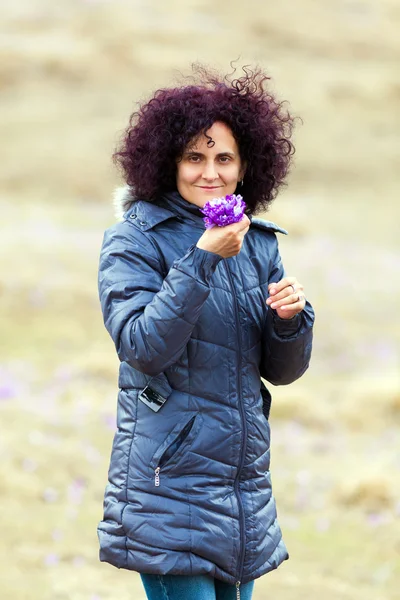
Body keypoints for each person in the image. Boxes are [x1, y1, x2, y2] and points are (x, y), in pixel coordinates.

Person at [97, 63, 315, 600]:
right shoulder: (133, 241)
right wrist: (201, 260)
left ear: (246, 167)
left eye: (224, 158)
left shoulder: (258, 243)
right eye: (195, 157)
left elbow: (281, 373)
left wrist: (291, 320)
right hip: (168, 486)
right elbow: (144, 347)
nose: (209, 172)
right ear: (168, 161)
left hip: (241, 488)